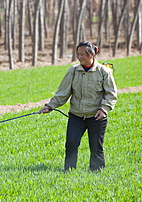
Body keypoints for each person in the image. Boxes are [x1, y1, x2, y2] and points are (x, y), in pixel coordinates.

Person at [40, 41, 117, 171]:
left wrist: (104, 109)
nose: (79, 57)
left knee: (96, 146)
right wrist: (50, 106)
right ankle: (69, 170)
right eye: (78, 54)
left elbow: (111, 94)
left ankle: (97, 172)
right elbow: (63, 92)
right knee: (71, 143)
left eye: (82, 54)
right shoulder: (73, 71)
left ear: (92, 54)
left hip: (97, 117)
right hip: (76, 116)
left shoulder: (104, 72)